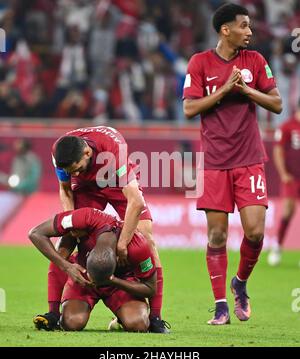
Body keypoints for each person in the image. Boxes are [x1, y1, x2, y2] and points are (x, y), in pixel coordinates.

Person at [183, 3, 282, 325]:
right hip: (214, 162)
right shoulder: (199, 63)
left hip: (249, 158)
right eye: (244, 26)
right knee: (216, 238)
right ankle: (221, 305)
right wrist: (226, 90)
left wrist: (247, 90)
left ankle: (240, 282)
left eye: (250, 26)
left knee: (254, 234)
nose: (250, 32)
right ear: (226, 30)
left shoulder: (255, 61)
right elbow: (189, 108)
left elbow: (277, 103)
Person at [37, 125, 168, 333]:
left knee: (146, 240)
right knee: (68, 239)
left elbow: (136, 201)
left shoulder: (114, 151)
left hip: (116, 182)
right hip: (86, 187)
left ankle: (156, 317)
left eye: (78, 168)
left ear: (88, 153)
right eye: (73, 171)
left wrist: (124, 242)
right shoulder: (60, 153)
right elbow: (65, 189)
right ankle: (53, 314)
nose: (76, 172)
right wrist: (72, 222)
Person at [29, 207, 161, 333]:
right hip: (83, 278)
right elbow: (35, 233)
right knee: (71, 323)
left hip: (120, 281)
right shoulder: (84, 217)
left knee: (138, 325)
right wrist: (67, 266)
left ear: (116, 261)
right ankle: (54, 314)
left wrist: (113, 281)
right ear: (89, 254)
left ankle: (121, 320)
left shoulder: (137, 246)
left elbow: (150, 288)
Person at [268, 100, 300, 266]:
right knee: (288, 210)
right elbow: (278, 150)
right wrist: (283, 173)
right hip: (291, 177)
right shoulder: (287, 127)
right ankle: (277, 247)